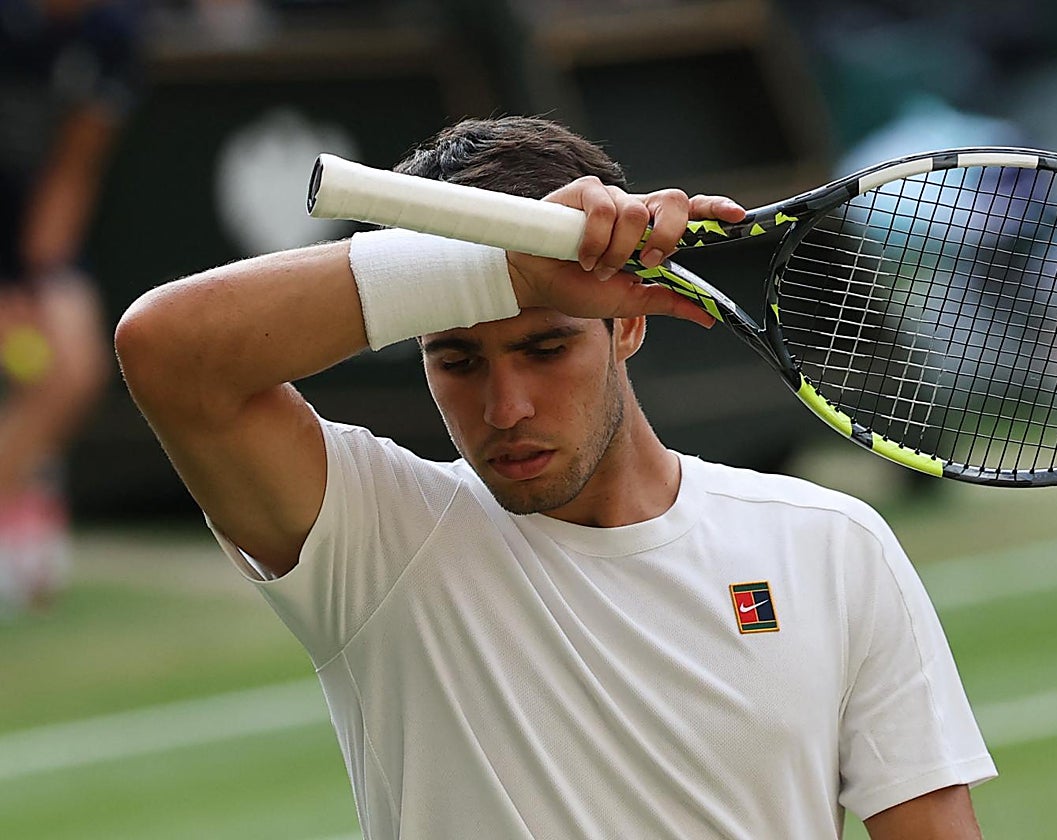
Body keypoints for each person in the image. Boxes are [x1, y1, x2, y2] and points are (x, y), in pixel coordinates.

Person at [115, 116, 996, 839]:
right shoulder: (374, 536)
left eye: (545, 347)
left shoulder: (833, 546)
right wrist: (507, 266)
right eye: (456, 358)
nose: (505, 408)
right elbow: (167, 352)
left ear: (626, 325)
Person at [0, 0, 141, 614]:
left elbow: (76, 164)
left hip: (30, 242)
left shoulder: (112, 32)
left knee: (73, 367)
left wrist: (32, 277)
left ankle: (20, 508)